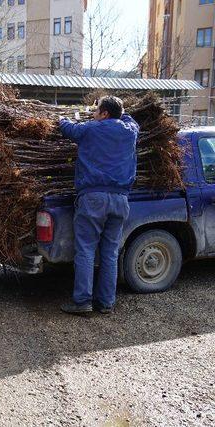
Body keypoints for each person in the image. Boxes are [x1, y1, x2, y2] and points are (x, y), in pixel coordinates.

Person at [58, 96, 139, 315]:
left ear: (104, 114)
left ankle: (83, 301)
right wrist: (120, 113)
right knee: (110, 252)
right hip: (121, 200)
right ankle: (106, 303)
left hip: (94, 198)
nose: (94, 114)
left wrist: (61, 118)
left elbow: (68, 129)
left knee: (85, 250)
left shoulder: (90, 129)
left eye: (97, 111)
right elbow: (131, 120)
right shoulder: (130, 130)